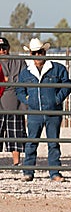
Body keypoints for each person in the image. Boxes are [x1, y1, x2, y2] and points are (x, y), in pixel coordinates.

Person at [16, 38, 71, 182]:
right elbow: (19, 90)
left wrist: (57, 99)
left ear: (44, 52)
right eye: (34, 53)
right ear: (31, 54)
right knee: (31, 142)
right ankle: (28, 172)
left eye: (40, 52)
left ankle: (55, 173)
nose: (37, 55)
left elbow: (67, 85)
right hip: (35, 112)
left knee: (53, 143)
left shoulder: (57, 69)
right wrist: (28, 100)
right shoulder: (25, 73)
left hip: (53, 112)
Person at [0, 37, 27, 167]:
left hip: (15, 105)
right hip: (2, 103)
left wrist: (7, 81)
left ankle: (16, 162)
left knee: (15, 134)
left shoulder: (18, 61)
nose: (1, 50)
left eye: (4, 47)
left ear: (8, 48)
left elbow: (23, 81)